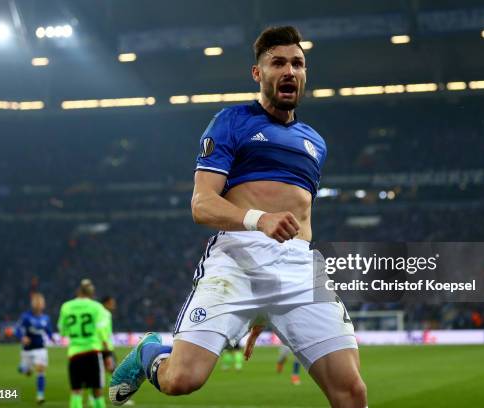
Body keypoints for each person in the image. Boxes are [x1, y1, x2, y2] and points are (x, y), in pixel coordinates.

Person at [109, 25, 367, 408]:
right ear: (257, 73)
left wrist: (264, 313)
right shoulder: (231, 122)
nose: (289, 72)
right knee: (182, 380)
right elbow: (202, 204)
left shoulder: (316, 142)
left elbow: (301, 218)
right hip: (236, 262)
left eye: (297, 63)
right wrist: (259, 219)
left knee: (352, 393)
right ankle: (151, 353)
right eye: (277, 63)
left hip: (298, 269)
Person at [58, 279, 109, 408]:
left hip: (74, 354)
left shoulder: (66, 306)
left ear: (78, 291)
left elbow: (62, 331)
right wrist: (107, 353)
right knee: (97, 391)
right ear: (91, 293)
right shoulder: (96, 307)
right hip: (92, 352)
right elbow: (102, 331)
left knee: (76, 391)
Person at [15, 292, 53, 404]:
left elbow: (49, 332)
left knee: (41, 369)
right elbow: (16, 329)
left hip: (40, 348)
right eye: (36, 302)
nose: (38, 304)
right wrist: (22, 337)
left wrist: (53, 338)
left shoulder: (46, 318)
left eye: (40, 302)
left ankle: (40, 396)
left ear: (43, 304)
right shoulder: (26, 317)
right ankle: (25, 368)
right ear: (32, 304)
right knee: (25, 371)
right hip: (27, 350)